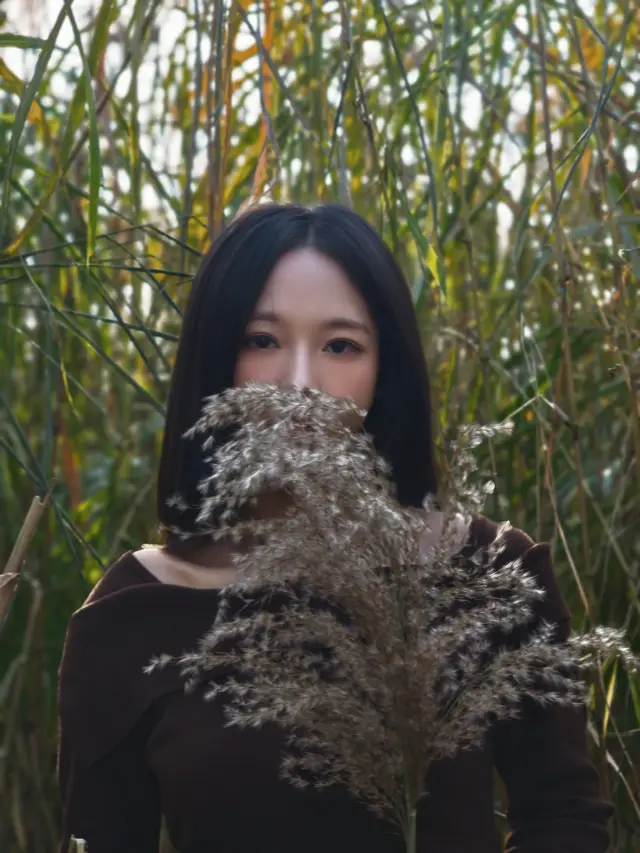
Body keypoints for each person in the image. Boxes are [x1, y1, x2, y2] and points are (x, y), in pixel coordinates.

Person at [57, 203, 613, 853]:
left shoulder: (486, 571)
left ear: (386, 369)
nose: (300, 383)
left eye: (340, 345)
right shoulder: (129, 614)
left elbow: (563, 814)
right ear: (214, 355)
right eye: (261, 340)